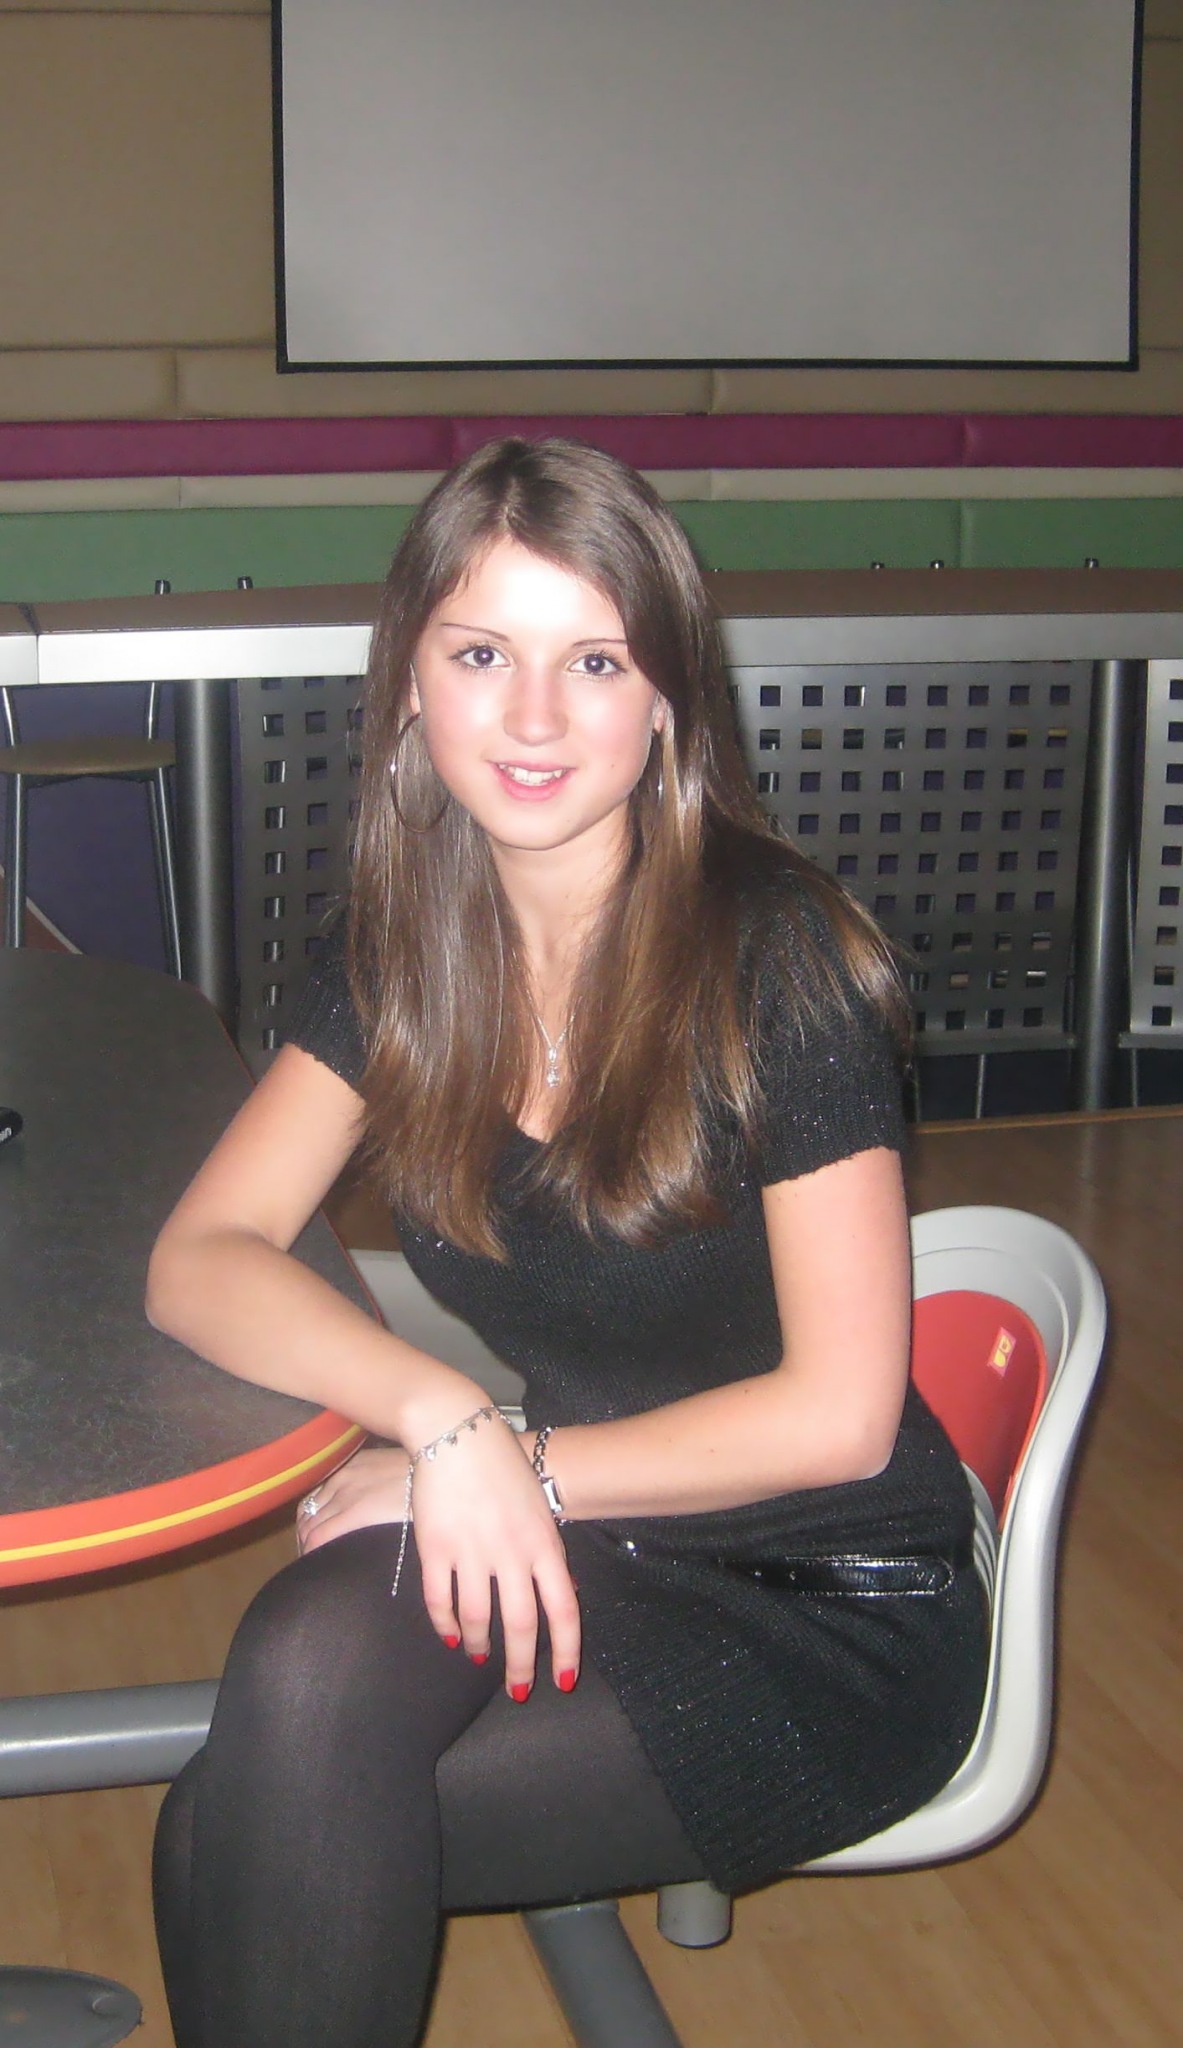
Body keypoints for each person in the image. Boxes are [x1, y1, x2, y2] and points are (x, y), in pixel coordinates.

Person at [147, 437, 988, 2048]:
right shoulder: (403, 952)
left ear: (667, 696)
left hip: (825, 1599)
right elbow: (205, 1253)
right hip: (592, 1523)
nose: (533, 718)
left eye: (593, 661)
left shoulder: (781, 960)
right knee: (298, 1684)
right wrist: (444, 1416)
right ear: (410, 685)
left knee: (230, 1827)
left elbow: (840, 1414)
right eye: (482, 655)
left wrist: (520, 1465)